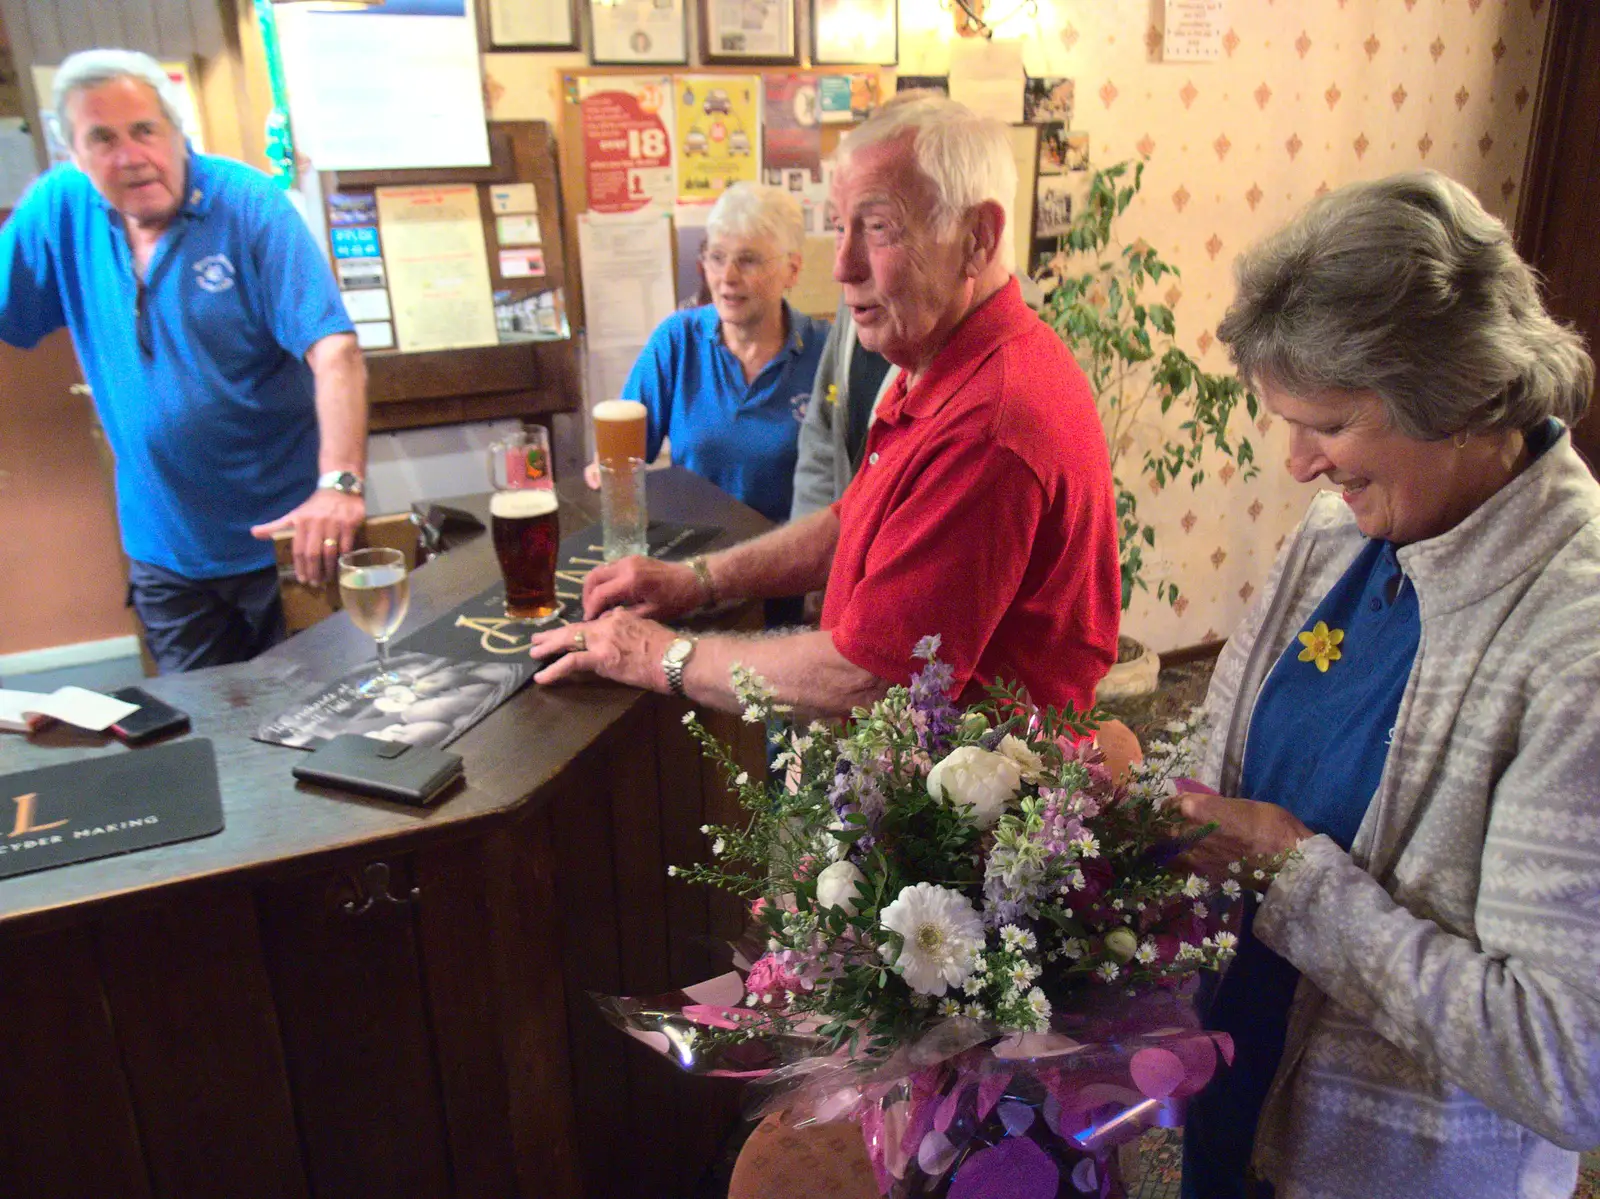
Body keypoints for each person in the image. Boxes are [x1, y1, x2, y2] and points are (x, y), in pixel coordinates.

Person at [1174, 171, 1600, 1198]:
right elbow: (1225, 758)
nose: (1296, 463)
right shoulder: (1340, 531)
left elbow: (1565, 1060)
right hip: (1232, 1099)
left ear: (1452, 395)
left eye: (1325, 423)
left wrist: (1291, 879)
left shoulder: (1576, 642)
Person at [531, 95, 1121, 719]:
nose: (842, 267)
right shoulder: (935, 357)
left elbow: (868, 678)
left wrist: (656, 655)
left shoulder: (990, 421)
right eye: (840, 227)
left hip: (981, 807)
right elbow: (852, 522)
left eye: (878, 227)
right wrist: (694, 581)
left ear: (977, 239)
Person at [0, 49, 367, 673]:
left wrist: (339, 484)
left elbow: (334, 349)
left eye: (145, 129)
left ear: (176, 132)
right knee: (204, 736)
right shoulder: (61, 207)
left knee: (325, 719)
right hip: (165, 549)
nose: (130, 155)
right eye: (103, 139)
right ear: (74, 155)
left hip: (290, 541)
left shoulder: (249, 205)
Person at [594, 182, 828, 526]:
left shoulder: (826, 350)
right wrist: (604, 470)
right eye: (717, 258)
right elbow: (625, 460)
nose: (727, 278)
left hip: (788, 564)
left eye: (748, 260)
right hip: (691, 558)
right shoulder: (677, 340)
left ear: (792, 270)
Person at [788, 297, 897, 521]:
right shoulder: (852, 301)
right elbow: (823, 432)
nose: (841, 272)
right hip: (839, 544)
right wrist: (810, 546)